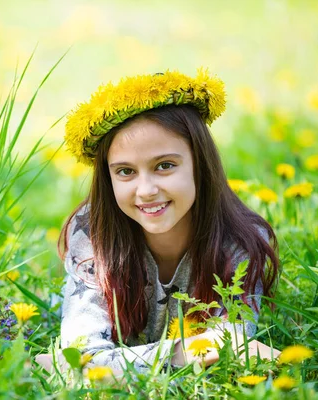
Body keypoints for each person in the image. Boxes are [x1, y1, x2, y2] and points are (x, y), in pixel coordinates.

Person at [56, 69, 280, 375]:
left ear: (200, 163)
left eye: (164, 166)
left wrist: (108, 367)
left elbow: (228, 359)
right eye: (125, 171)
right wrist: (193, 351)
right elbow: (79, 360)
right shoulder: (92, 233)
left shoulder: (240, 241)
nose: (146, 190)